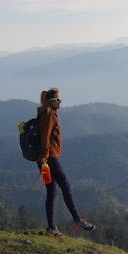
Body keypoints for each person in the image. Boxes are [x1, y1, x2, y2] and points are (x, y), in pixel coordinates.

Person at [36, 87, 95, 237]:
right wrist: (45, 156)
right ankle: (77, 219)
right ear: (52, 102)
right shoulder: (50, 115)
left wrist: (42, 158)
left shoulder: (45, 113)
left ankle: (51, 228)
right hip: (49, 158)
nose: (60, 103)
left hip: (43, 159)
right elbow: (45, 137)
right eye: (58, 100)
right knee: (65, 186)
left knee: (51, 191)